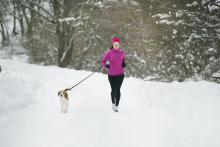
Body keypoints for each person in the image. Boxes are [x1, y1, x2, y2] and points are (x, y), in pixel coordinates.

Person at [102, 37, 126, 112]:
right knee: (113, 90)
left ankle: (116, 106)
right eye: (115, 44)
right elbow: (103, 61)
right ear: (113, 45)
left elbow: (123, 61)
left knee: (117, 89)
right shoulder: (109, 53)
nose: (116, 46)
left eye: (117, 45)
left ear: (119, 45)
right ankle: (113, 102)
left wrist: (123, 64)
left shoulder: (122, 53)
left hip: (120, 74)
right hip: (111, 74)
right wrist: (106, 65)